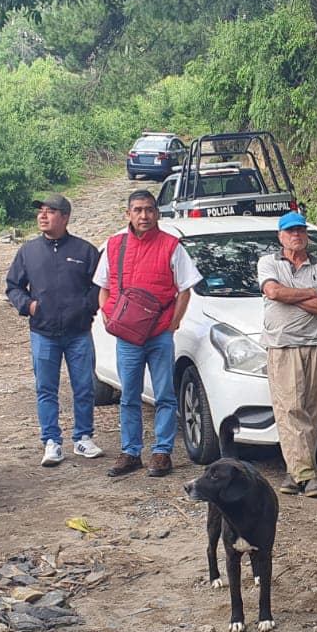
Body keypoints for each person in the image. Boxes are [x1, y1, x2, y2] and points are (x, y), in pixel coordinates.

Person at [94, 190, 201, 478]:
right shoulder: (115, 246)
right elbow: (103, 287)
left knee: (165, 394)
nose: (144, 215)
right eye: (138, 210)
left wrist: (172, 324)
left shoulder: (171, 246)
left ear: (157, 213)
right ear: (128, 214)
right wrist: (108, 315)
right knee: (129, 395)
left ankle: (162, 452)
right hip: (127, 337)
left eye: (150, 210)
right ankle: (130, 452)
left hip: (159, 336)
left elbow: (185, 289)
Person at [5, 194, 104, 467]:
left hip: (79, 332)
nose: (43, 216)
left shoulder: (85, 251)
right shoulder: (29, 251)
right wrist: (29, 306)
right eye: (41, 212)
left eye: (50, 211)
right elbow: (12, 286)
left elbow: (99, 285)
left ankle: (83, 437)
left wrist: (87, 308)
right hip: (43, 333)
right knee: (46, 388)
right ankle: (52, 442)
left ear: (65, 217)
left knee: (84, 387)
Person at [258, 210, 317, 498]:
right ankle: (307, 475)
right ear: (281, 237)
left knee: (311, 413)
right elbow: (273, 293)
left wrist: (291, 294)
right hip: (283, 346)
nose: (296, 235)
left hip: (316, 345)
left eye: (301, 231)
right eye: (290, 231)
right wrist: (310, 292)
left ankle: (294, 473)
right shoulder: (268, 262)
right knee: (290, 411)